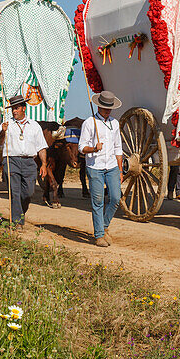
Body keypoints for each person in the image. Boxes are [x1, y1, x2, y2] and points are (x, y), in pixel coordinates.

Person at [79, 91, 124, 247]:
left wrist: (119, 170)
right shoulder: (89, 123)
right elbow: (81, 148)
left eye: (109, 108)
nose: (107, 110)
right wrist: (93, 149)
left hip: (111, 166)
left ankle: (104, 225)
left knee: (116, 199)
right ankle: (99, 235)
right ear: (98, 106)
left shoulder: (115, 123)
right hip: (94, 166)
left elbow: (118, 148)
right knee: (97, 201)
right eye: (104, 107)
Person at [0, 94, 48, 229]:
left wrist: (43, 164)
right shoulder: (6, 125)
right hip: (11, 160)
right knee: (15, 191)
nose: (14, 111)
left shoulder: (34, 126)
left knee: (28, 193)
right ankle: (17, 222)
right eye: (13, 108)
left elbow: (41, 147)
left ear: (23, 108)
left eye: (17, 108)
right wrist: (3, 132)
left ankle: (19, 213)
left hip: (29, 162)